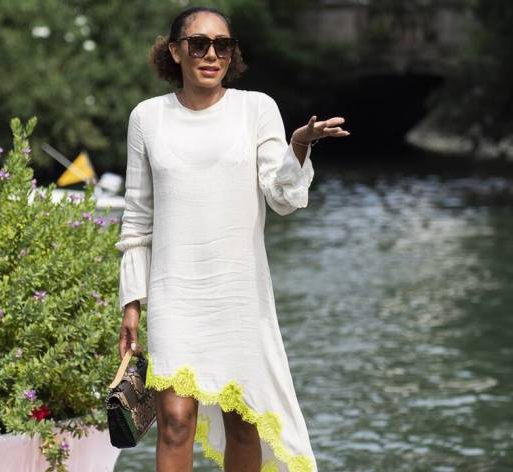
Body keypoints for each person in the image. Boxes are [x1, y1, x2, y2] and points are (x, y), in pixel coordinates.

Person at [115, 6, 349, 472]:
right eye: (198, 44)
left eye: (222, 45)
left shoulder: (256, 109)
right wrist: (131, 303)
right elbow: (138, 217)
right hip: (174, 293)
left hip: (239, 295)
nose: (211, 54)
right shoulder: (147, 118)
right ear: (175, 51)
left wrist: (299, 145)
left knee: (243, 423)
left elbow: (283, 197)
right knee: (174, 421)